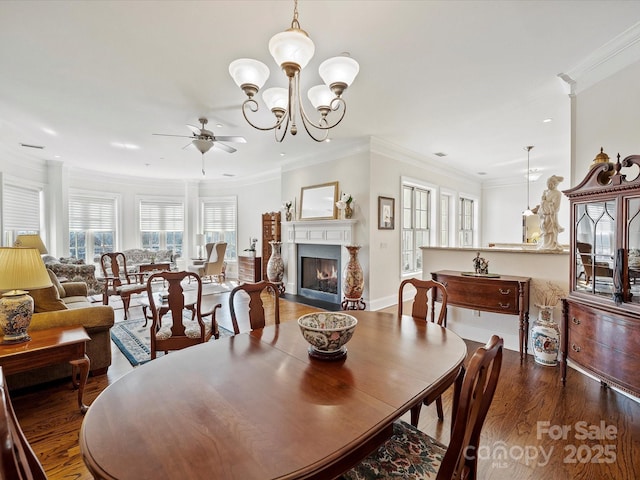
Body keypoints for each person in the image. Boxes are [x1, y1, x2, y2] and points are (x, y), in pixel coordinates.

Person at [537, 175, 564, 251]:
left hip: (552, 215)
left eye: (551, 184)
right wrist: (543, 201)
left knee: (551, 231)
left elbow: (556, 207)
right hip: (545, 215)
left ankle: (552, 244)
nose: (549, 185)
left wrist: (545, 202)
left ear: (555, 184)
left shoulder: (557, 193)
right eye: (547, 183)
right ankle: (545, 244)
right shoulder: (546, 192)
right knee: (544, 230)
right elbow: (542, 204)